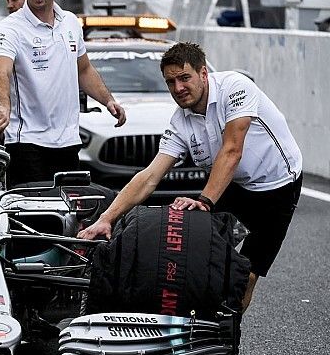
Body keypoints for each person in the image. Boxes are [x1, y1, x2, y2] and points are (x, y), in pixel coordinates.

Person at [78, 42, 303, 313]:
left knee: (245, 276)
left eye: (184, 78)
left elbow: (232, 150)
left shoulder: (235, 87)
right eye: (170, 82)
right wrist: (106, 218)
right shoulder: (180, 121)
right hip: (232, 185)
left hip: (276, 187)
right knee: (198, 259)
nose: (178, 88)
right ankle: (195, 332)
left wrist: (205, 201)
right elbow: (149, 176)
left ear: (203, 73)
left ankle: (228, 342)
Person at [0, 0, 126, 186]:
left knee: (69, 217)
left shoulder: (71, 22)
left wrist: (108, 100)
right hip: (27, 144)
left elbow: (84, 70)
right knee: (34, 217)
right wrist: (3, 105)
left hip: (68, 143)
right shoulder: (8, 28)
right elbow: (0, 72)